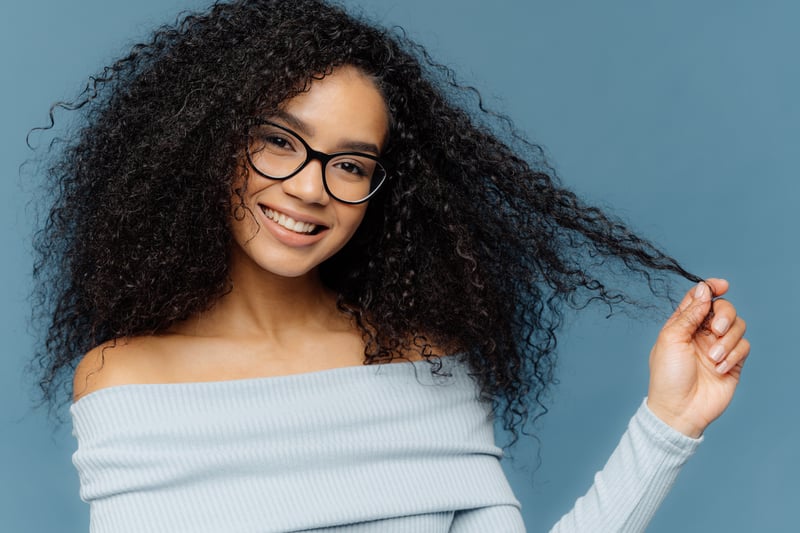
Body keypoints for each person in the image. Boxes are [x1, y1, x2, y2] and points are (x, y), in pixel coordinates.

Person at [30, 0, 749, 531]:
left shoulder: (425, 362)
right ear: (210, 141)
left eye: (351, 163)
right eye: (281, 142)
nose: (311, 188)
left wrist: (669, 421)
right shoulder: (126, 376)